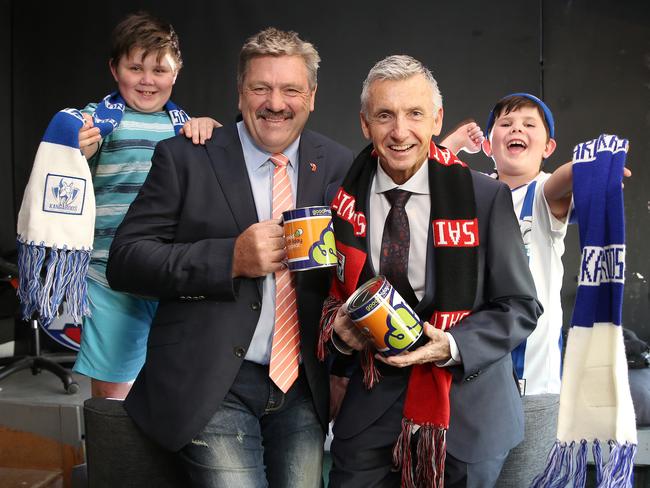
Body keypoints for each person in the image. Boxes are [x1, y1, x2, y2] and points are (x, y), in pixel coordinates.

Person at [105, 27, 354, 487]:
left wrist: (342, 369)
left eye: (290, 89)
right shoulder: (186, 157)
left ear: (312, 97)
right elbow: (126, 260)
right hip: (209, 383)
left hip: (301, 388)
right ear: (240, 93)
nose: (274, 103)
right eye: (260, 87)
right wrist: (230, 259)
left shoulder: (340, 166)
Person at [320, 55, 542, 488]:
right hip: (368, 415)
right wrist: (340, 340)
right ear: (365, 124)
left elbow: (520, 306)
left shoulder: (484, 197)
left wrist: (453, 345)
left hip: (466, 420)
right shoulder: (339, 201)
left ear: (437, 119)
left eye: (415, 114)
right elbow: (322, 302)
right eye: (385, 115)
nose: (400, 132)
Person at [480, 93, 629, 487]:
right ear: (487, 143)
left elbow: (564, 178)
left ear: (546, 147)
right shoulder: (469, 194)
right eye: (507, 124)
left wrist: (594, 168)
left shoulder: (543, 194)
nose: (517, 129)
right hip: (474, 386)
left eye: (529, 125)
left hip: (537, 389)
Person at [71, 12, 218, 400]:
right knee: (115, 392)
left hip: (168, 276)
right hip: (109, 276)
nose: (148, 80)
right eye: (135, 67)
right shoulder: (97, 121)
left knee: (172, 388)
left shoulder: (184, 126)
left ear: (176, 72)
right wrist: (76, 149)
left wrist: (207, 132)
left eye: (159, 69)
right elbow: (63, 177)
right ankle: (114, 460)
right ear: (114, 69)